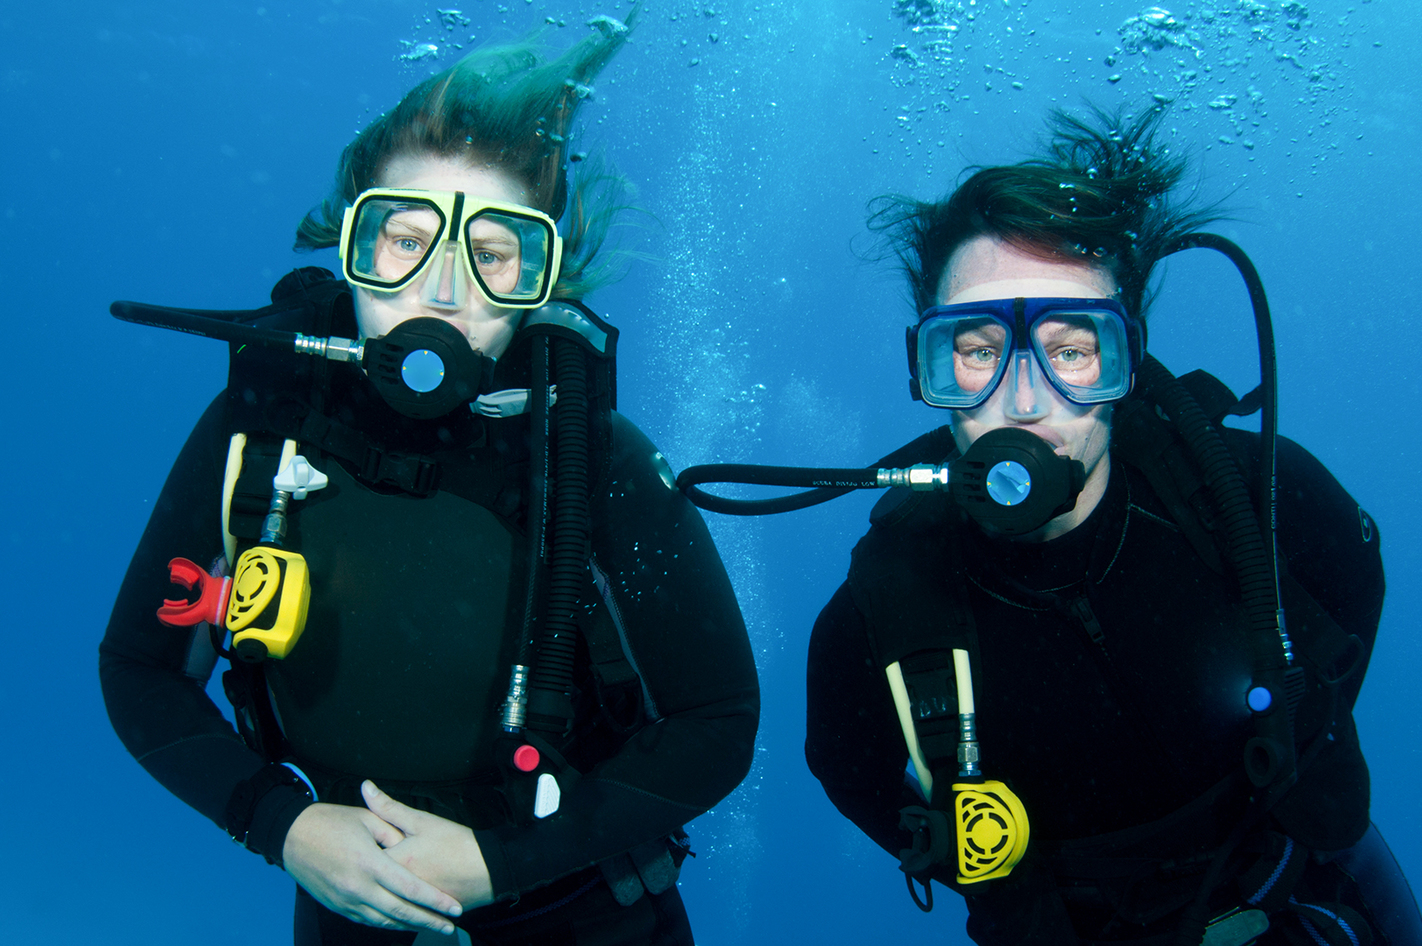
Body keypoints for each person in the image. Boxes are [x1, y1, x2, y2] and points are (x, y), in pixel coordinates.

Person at [100, 20, 759, 946]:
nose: (439, 290)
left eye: (491, 255)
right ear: (350, 249)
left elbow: (717, 721)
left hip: (586, 918)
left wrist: (503, 864)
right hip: (348, 914)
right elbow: (140, 670)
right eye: (402, 239)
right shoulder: (258, 429)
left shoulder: (590, 460)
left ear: (541, 280)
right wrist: (279, 825)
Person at [804, 108, 1420, 945]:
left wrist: (1306, 737)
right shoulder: (879, 615)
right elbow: (847, 764)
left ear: (1125, 362)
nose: (1025, 401)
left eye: (1072, 348)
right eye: (980, 351)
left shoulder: (1250, 493)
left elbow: (1355, 580)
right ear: (930, 368)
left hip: (1309, 883)